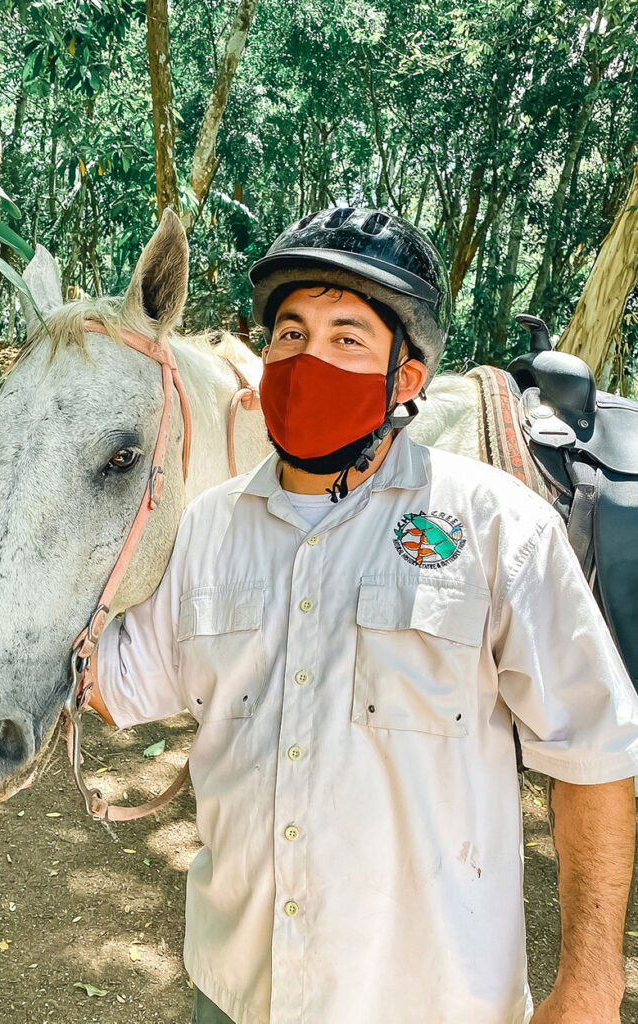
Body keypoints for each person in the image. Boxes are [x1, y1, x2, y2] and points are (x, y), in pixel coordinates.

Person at [86, 207, 638, 1024]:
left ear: (405, 378)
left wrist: (590, 987)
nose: (308, 358)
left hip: (433, 999)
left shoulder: (496, 525)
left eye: (347, 338)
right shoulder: (207, 526)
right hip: (236, 991)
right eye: (289, 333)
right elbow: (117, 686)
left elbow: (594, 757)